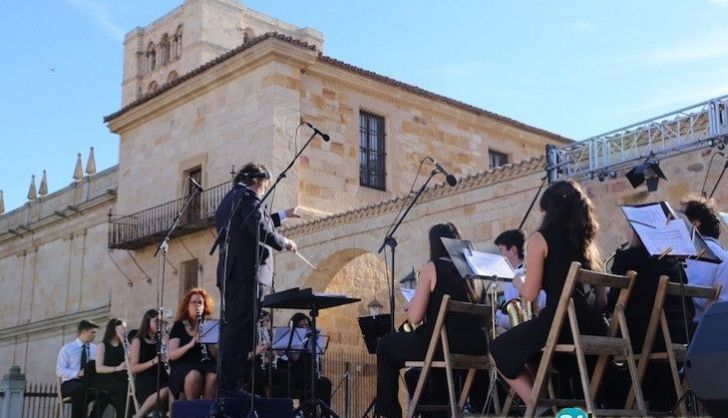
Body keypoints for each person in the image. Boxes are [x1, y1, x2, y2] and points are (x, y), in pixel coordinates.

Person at [489, 179, 607, 404]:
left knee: (498, 348)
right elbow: (601, 301)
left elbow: (531, 294)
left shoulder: (539, 238)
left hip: (559, 324)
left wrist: (518, 283)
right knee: (530, 350)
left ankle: (538, 406)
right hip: (593, 327)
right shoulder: (586, 243)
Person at [375, 222, 487, 418]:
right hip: (475, 346)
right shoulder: (473, 273)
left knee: (385, 345)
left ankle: (390, 413)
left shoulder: (432, 267)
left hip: (441, 346)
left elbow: (415, 318)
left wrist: (413, 305)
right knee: (435, 363)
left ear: (434, 244)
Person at [215, 162, 298, 397]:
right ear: (257, 180)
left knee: (236, 329)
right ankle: (231, 387)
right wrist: (285, 242)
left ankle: (229, 386)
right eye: (265, 186)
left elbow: (255, 221)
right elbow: (260, 227)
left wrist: (284, 215)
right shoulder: (248, 197)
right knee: (241, 330)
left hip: (232, 274)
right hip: (247, 274)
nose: (264, 191)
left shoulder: (230, 200)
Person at [601, 223, 694, 411]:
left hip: (643, 343)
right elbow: (689, 308)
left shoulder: (628, 259)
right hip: (676, 346)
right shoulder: (674, 265)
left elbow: (612, 304)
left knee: (600, 362)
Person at [679, 195, 728, 324]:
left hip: (707, 326)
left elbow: (697, 296)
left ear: (695, 224)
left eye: (681, 218)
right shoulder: (713, 248)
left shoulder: (706, 250)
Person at [272, 313, 332, 407]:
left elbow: (317, 360)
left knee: (325, 383)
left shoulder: (311, 339)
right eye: (301, 326)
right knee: (308, 383)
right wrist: (298, 344)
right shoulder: (291, 339)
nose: (305, 328)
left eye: (306, 325)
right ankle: (305, 411)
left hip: (308, 374)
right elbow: (295, 358)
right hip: (294, 375)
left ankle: (325, 413)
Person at [168, 288, 217, 400]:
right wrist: (190, 344)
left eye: (200, 302)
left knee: (214, 376)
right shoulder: (179, 326)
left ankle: (206, 410)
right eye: (193, 302)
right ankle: (192, 409)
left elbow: (216, 355)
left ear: (204, 306)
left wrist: (209, 343)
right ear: (187, 306)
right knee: (194, 376)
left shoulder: (209, 325)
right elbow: (172, 355)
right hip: (183, 364)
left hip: (206, 364)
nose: (197, 305)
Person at [494, 229, 546, 331]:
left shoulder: (514, 277)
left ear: (513, 250)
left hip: (531, 330)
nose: (500, 256)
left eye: (501, 250)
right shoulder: (530, 270)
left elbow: (516, 322)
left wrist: (495, 314)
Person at [129, 309, 170, 418]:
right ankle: (139, 415)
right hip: (145, 381)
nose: (159, 324)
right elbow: (133, 368)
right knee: (167, 389)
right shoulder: (137, 341)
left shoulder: (163, 339)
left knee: (176, 388)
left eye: (161, 322)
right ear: (147, 322)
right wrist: (153, 362)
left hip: (162, 377)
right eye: (156, 321)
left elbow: (169, 357)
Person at [56, 319, 100, 418]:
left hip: (89, 382)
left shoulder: (95, 349)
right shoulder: (67, 348)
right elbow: (59, 370)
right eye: (92, 332)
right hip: (70, 383)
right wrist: (77, 373)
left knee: (104, 392)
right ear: (84, 332)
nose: (94, 335)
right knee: (79, 389)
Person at [93, 318, 130, 417]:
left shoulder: (124, 345)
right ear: (114, 329)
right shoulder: (103, 345)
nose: (124, 331)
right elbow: (98, 368)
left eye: (124, 329)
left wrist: (124, 340)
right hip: (106, 377)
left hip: (122, 378)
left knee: (126, 395)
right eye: (122, 328)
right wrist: (116, 368)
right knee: (122, 389)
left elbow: (130, 359)